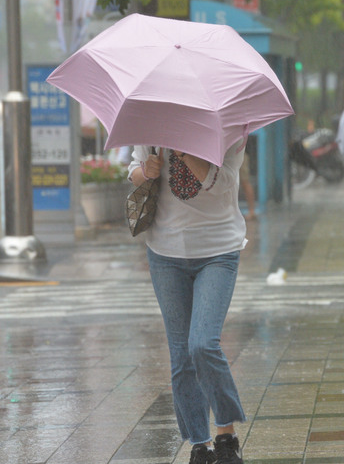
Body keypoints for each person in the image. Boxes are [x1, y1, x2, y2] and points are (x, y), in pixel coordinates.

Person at [128, 143, 247, 464]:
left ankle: (226, 434)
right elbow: (134, 170)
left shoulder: (228, 126)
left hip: (219, 250)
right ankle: (200, 443)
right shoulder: (154, 122)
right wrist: (145, 171)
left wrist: (183, 151)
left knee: (203, 345)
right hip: (165, 253)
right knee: (181, 355)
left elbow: (221, 183)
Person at [239, 151, 256, 220]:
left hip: (237, 153)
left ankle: (251, 211)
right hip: (234, 153)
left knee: (245, 182)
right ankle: (251, 211)